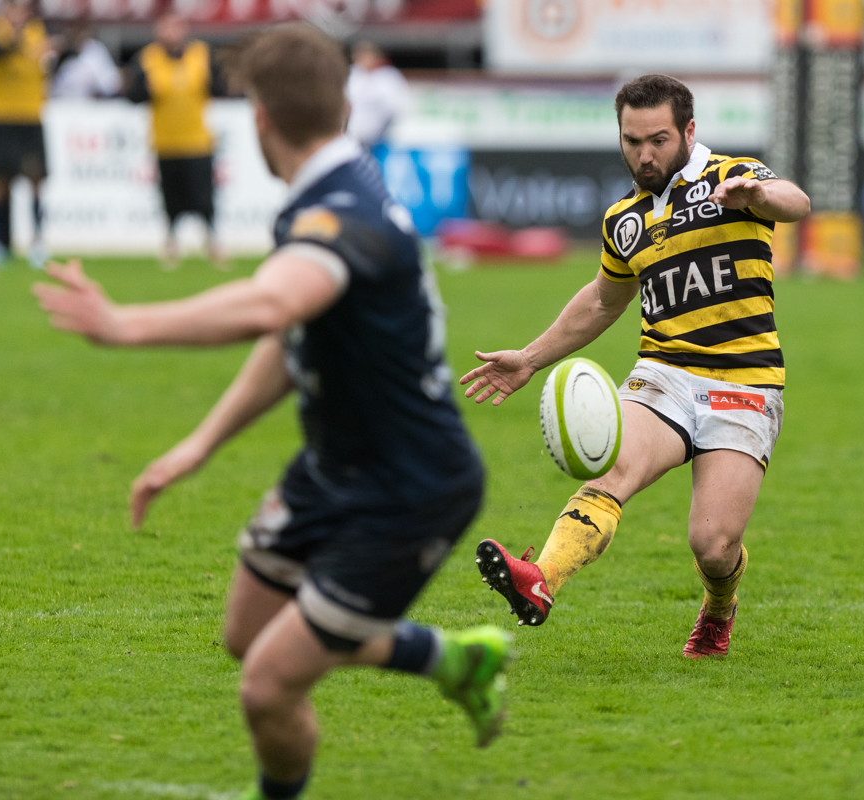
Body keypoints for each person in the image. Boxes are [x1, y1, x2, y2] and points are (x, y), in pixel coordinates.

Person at [34, 24, 511, 800]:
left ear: (258, 117)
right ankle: (453, 659)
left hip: (409, 488)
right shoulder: (332, 191)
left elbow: (275, 301)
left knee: (266, 686)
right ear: (343, 103)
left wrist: (127, 324)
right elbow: (295, 332)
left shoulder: (340, 212)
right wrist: (201, 444)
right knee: (247, 634)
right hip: (336, 470)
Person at [460, 74, 811, 659]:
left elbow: (795, 202)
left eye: (658, 139)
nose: (644, 154)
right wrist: (529, 358)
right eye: (631, 141)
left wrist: (756, 197)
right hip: (664, 373)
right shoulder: (623, 218)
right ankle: (540, 577)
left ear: (689, 131)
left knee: (713, 546)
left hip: (744, 381)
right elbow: (603, 300)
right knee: (611, 473)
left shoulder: (732, 177)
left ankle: (719, 607)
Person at [125, 12, 227, 270]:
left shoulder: (201, 54)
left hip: (198, 140)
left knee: (204, 195)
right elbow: (132, 95)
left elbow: (221, 87)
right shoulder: (148, 58)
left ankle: (213, 241)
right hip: (165, 141)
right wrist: (147, 89)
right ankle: (171, 243)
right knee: (171, 196)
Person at [0, 0, 52, 268]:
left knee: (36, 179)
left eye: (22, 10)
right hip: (0, 117)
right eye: (13, 9)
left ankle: (38, 241)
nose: (18, 15)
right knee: (0, 184)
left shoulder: (39, 34)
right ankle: (1, 243)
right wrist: (14, 37)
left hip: (30, 116)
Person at [345, 41, 409, 154]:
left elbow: (396, 108)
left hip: (380, 140)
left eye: (365, 55)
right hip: (352, 139)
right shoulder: (351, 75)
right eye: (359, 55)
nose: (362, 59)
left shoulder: (388, 77)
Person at [50, 19, 121, 99]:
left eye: (78, 32)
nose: (74, 35)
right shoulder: (64, 54)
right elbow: (56, 87)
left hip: (92, 104)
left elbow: (110, 83)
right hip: (66, 103)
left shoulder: (94, 51)